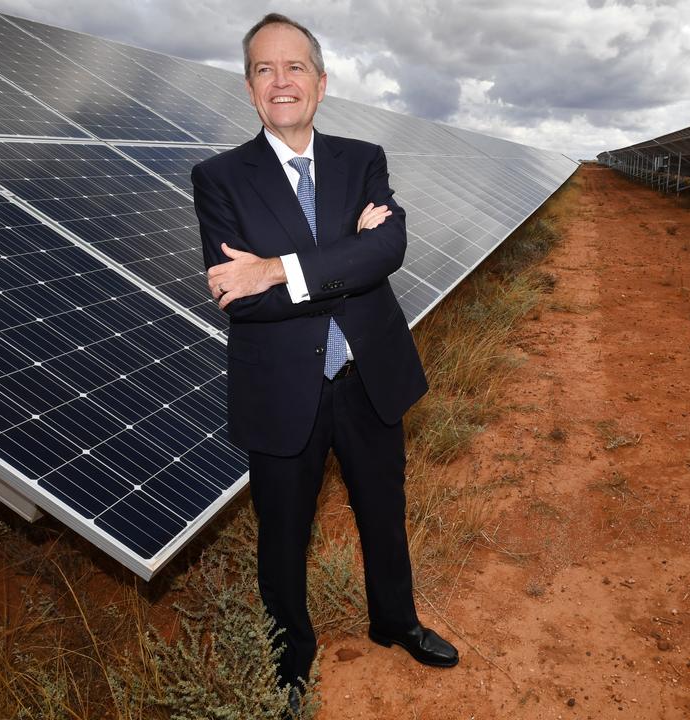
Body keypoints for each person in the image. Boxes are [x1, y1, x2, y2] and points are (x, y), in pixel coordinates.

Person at [190, 12, 459, 714]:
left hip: (367, 375)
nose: (282, 82)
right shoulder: (218, 178)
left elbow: (388, 251)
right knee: (283, 537)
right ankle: (290, 662)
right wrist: (346, 257)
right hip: (282, 390)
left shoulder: (361, 158)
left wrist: (277, 269)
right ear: (249, 88)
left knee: (384, 513)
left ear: (321, 81)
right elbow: (237, 300)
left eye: (295, 67)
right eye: (264, 69)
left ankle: (395, 620)